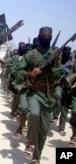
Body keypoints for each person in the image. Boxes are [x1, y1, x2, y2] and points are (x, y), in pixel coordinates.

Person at [16, 27, 61, 164]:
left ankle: (36, 157)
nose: (46, 37)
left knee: (43, 130)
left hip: (48, 96)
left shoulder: (54, 55)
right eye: (44, 35)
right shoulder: (31, 54)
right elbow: (18, 74)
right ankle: (29, 143)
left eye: (49, 35)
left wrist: (53, 64)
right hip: (34, 92)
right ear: (39, 36)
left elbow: (55, 78)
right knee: (34, 114)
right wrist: (30, 74)